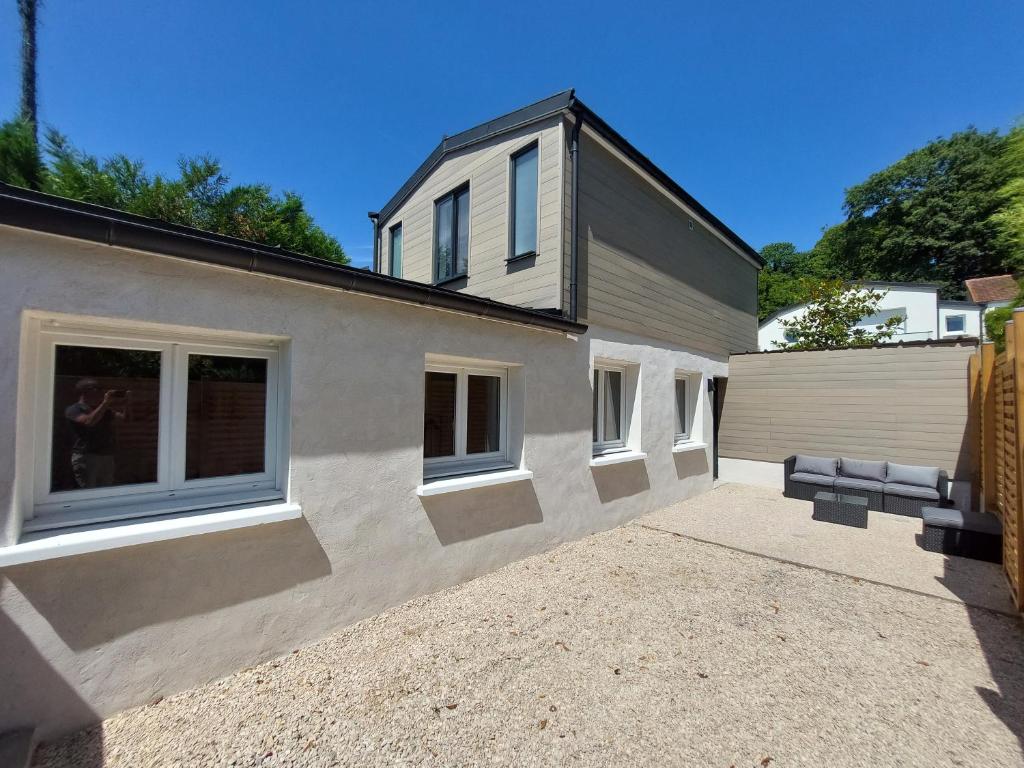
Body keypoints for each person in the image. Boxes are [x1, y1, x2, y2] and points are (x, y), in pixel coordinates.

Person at [65, 378, 129, 488]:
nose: (100, 391)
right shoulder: (74, 409)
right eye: (96, 388)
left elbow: (125, 419)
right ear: (84, 391)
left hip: (106, 456)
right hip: (87, 456)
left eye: (100, 388)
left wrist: (127, 403)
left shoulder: (103, 410)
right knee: (89, 492)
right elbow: (89, 422)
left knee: (105, 492)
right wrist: (105, 403)